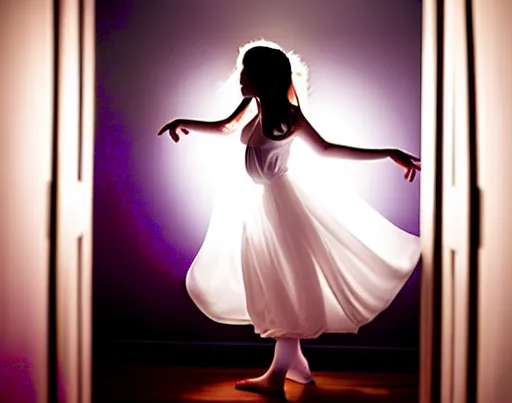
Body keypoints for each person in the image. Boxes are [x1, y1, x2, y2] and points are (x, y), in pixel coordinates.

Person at [158, 40, 421, 398]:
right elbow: (224, 128)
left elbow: (327, 149)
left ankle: (274, 377)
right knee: (272, 283)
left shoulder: (289, 117)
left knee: (283, 288)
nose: (241, 78)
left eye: (246, 73)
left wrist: (387, 153)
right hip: (257, 206)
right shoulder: (254, 105)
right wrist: (183, 123)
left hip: (280, 209)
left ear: (262, 78)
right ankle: (297, 366)